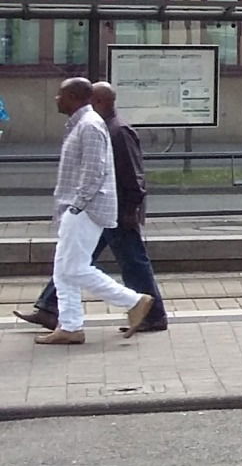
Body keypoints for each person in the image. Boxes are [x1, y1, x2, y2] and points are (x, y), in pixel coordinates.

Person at [15, 82, 165, 333]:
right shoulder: (98, 125)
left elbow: (126, 174)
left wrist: (82, 206)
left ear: (97, 101)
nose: (56, 98)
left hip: (110, 210)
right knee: (69, 265)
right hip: (99, 209)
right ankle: (55, 313)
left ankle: (146, 309)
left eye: (62, 95)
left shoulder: (112, 129)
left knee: (120, 262)